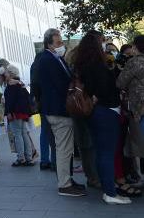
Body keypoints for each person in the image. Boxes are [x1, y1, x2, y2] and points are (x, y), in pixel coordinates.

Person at [72, 30, 131, 205]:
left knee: (101, 152)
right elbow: (105, 89)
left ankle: (107, 188)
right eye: (102, 41)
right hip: (106, 112)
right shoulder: (98, 65)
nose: (105, 44)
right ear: (97, 44)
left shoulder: (83, 64)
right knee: (107, 153)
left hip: (94, 113)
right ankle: (110, 193)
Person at [38, 28, 88, 197]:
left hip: (60, 109)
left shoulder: (55, 58)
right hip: (58, 110)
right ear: (49, 44)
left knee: (65, 148)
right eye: (58, 43)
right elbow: (61, 84)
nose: (61, 45)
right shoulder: (47, 59)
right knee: (64, 149)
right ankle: (64, 184)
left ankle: (67, 179)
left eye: (61, 42)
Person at [31, 36, 57, 171]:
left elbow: (34, 83)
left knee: (44, 131)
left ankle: (44, 160)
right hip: (51, 101)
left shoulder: (35, 63)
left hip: (41, 101)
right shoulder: (50, 60)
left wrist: (35, 99)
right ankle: (54, 161)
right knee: (54, 132)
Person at [4, 64, 35, 166]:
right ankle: (29, 157)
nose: (5, 74)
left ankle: (21, 158)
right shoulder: (20, 83)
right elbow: (27, 97)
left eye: (7, 72)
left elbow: (10, 101)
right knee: (24, 134)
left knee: (17, 135)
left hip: (15, 113)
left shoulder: (11, 85)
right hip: (23, 113)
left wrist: (8, 112)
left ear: (11, 74)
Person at [116, 36, 144, 143]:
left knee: (139, 140)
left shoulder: (134, 62)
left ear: (135, 47)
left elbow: (120, 83)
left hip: (139, 106)